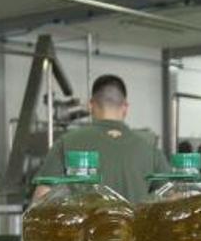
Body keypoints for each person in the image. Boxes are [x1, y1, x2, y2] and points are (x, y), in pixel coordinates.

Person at [35, 74, 168, 203]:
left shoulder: (66, 142)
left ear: (91, 105)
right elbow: (172, 198)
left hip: (83, 226)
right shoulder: (150, 149)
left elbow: (41, 201)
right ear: (125, 108)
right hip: (135, 226)